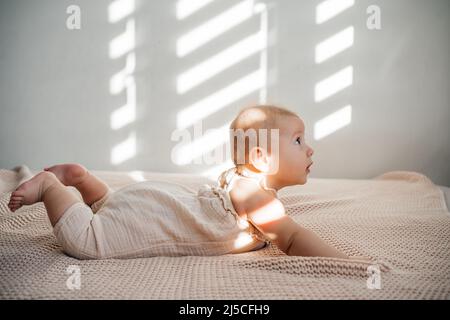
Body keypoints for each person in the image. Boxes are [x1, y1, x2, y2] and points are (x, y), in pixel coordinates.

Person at [7, 104, 370, 261]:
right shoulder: (257, 197)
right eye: (297, 140)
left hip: (151, 202)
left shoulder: (241, 181)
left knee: (112, 210)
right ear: (260, 158)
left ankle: (85, 182)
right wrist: (345, 260)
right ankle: (53, 187)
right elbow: (291, 238)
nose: (309, 149)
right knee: (89, 242)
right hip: (153, 210)